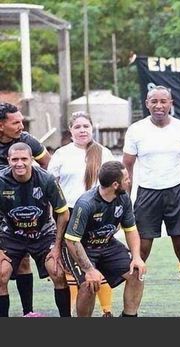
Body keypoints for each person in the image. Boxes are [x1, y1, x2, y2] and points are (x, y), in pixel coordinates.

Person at [123, 85, 180, 317]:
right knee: (140, 252)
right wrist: (124, 206)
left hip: (177, 195)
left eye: (163, 101)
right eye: (154, 101)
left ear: (171, 103)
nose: (159, 106)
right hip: (146, 195)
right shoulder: (136, 130)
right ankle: (131, 311)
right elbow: (126, 169)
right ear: (146, 103)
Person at [48, 111, 116, 317]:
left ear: (92, 128)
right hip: (69, 214)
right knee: (75, 266)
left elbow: (115, 184)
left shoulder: (104, 153)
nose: (82, 130)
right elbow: (51, 185)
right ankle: (75, 311)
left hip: (98, 214)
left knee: (98, 261)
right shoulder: (61, 154)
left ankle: (107, 311)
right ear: (70, 130)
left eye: (86, 126)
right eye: (77, 127)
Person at [64, 161, 146, 317]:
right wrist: (89, 270)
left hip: (106, 244)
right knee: (89, 284)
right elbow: (71, 240)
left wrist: (136, 257)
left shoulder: (124, 198)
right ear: (115, 184)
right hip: (81, 247)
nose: (129, 181)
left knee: (137, 272)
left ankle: (129, 317)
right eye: (126, 179)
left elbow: (131, 229)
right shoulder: (86, 204)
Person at [0, 142, 70, 317]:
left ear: (32, 159)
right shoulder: (1, 180)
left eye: (24, 159)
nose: (19, 163)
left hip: (43, 234)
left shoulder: (47, 179)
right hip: (12, 234)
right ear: (8, 160)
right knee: (1, 274)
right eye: (14, 159)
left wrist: (57, 246)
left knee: (57, 271)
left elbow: (63, 213)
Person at [0, 102, 51, 316]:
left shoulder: (27, 141)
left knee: (22, 261)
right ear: (1, 125)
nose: (22, 126)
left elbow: (49, 165)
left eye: (22, 121)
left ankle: (28, 312)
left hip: (24, 208)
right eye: (16, 122)